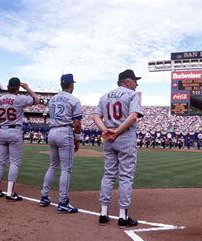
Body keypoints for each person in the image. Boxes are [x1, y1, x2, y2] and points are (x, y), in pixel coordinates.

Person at [92, 69, 144, 228]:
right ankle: (123, 217)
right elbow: (134, 116)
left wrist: (106, 131)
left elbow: (95, 116)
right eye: (135, 81)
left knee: (108, 175)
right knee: (126, 177)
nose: (137, 84)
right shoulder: (132, 95)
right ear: (127, 81)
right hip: (125, 136)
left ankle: (103, 214)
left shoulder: (105, 95)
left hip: (109, 138)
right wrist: (118, 131)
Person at [39, 73, 83, 213]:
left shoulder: (52, 99)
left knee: (52, 166)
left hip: (52, 132)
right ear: (71, 85)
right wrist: (77, 139)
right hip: (65, 132)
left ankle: (44, 196)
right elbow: (77, 124)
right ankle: (63, 202)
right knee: (66, 169)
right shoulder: (74, 99)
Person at [0, 78, 39, 200]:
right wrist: (27, 88)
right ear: (18, 88)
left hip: (2, 130)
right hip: (15, 131)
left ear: (8, 87)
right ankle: (10, 193)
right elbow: (37, 100)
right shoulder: (19, 99)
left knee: (1, 161)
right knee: (14, 163)